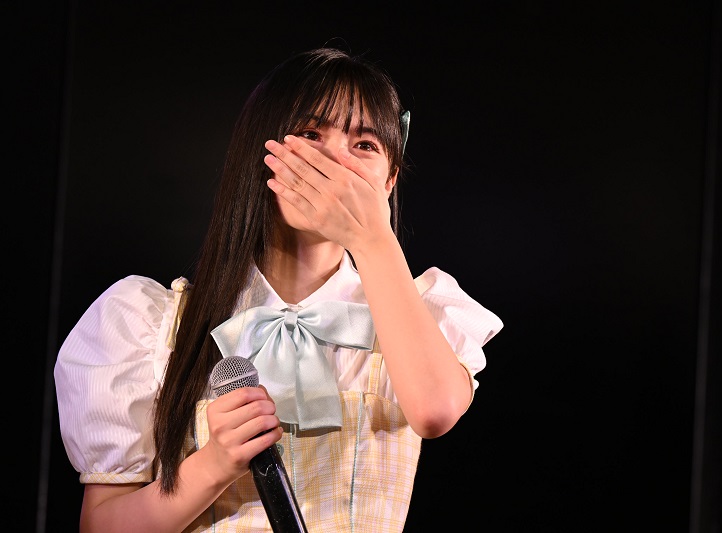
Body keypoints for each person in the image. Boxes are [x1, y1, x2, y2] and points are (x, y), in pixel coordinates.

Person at [54, 46, 503, 532]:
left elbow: (435, 412)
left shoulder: (420, 316)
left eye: (364, 145)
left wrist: (372, 238)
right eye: (311, 135)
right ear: (262, 153)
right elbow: (102, 525)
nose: (336, 162)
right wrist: (213, 465)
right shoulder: (152, 325)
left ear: (390, 180)